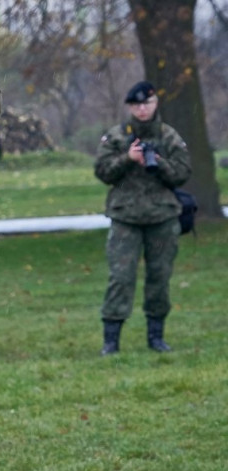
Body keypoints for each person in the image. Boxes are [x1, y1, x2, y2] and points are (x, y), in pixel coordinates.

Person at [94, 80, 191, 354]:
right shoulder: (116, 136)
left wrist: (158, 162)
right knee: (120, 278)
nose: (142, 109)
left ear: (155, 103)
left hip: (162, 218)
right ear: (130, 107)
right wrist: (128, 158)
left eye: (146, 103)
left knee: (159, 278)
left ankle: (156, 337)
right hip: (126, 219)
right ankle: (111, 342)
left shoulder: (169, 136)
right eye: (136, 105)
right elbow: (102, 171)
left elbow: (183, 173)